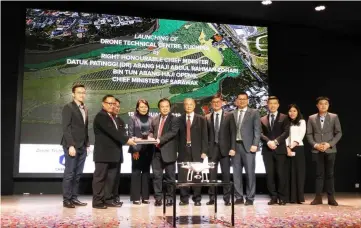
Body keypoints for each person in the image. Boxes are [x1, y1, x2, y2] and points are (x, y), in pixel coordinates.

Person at [92, 95, 136, 209]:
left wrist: (131, 139)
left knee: (111, 179)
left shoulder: (112, 117)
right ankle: (97, 201)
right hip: (103, 154)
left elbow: (119, 133)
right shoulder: (101, 116)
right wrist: (127, 140)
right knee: (100, 178)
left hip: (114, 154)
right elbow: (112, 132)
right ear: (103, 104)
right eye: (109, 103)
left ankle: (108, 199)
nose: (112, 106)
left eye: (113, 104)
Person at [306, 96, 342, 206]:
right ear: (317, 105)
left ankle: (331, 198)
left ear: (328, 105)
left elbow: (339, 133)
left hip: (330, 150)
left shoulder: (334, 117)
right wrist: (316, 145)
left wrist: (329, 144)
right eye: (321, 104)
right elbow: (309, 134)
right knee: (318, 174)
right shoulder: (311, 118)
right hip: (317, 150)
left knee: (330, 174)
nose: (323, 105)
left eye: (325, 103)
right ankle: (318, 198)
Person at [61, 84, 90, 208]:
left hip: (82, 145)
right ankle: (66, 199)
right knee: (70, 173)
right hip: (72, 145)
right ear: (73, 94)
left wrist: (87, 144)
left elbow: (84, 129)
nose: (82, 95)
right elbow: (66, 128)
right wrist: (70, 145)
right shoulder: (68, 107)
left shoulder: (85, 108)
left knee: (78, 174)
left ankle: (74, 197)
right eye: (79, 92)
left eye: (83, 92)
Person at [205, 93, 236, 206]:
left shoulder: (229, 115)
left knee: (226, 175)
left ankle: (227, 199)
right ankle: (212, 198)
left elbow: (233, 133)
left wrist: (233, 147)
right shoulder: (207, 117)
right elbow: (205, 136)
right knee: (211, 175)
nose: (216, 104)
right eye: (214, 103)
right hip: (212, 150)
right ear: (211, 104)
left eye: (218, 102)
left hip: (225, 150)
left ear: (222, 103)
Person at [232, 92, 261, 206]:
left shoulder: (254, 112)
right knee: (236, 174)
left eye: (244, 99)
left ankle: (250, 197)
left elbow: (257, 130)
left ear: (247, 100)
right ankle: (238, 197)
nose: (242, 101)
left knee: (250, 173)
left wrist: (255, 144)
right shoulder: (232, 113)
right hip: (235, 147)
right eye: (240, 99)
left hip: (249, 147)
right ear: (236, 101)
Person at [149, 98, 180, 207]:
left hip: (169, 152)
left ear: (169, 107)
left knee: (170, 177)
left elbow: (172, 132)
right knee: (157, 176)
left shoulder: (175, 119)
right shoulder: (155, 119)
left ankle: (170, 198)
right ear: (159, 108)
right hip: (156, 152)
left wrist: (159, 140)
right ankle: (158, 198)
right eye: (162, 106)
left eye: (167, 106)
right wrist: (150, 137)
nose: (165, 108)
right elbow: (151, 131)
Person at [178, 98, 208, 206]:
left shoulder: (201, 119)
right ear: (184, 106)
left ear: (194, 105)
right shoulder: (179, 119)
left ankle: (197, 199)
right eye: (186, 104)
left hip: (197, 151)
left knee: (197, 176)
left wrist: (204, 151)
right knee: (183, 176)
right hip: (183, 151)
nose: (188, 106)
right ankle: (184, 199)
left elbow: (205, 136)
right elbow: (177, 137)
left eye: (190, 104)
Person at [260, 96, 290, 205]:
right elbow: (260, 133)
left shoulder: (284, 117)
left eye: (274, 103)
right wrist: (268, 141)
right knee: (270, 174)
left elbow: (286, 132)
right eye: (270, 103)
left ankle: (282, 197)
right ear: (267, 105)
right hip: (267, 150)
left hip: (280, 149)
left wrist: (276, 142)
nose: (272, 105)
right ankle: (273, 196)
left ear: (278, 105)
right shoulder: (262, 119)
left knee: (280, 173)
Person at [128, 99, 154, 205]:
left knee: (146, 172)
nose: (144, 108)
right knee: (136, 172)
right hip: (136, 149)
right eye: (141, 107)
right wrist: (135, 149)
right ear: (137, 108)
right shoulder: (133, 118)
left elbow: (152, 132)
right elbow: (130, 134)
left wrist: (150, 137)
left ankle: (145, 197)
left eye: (145, 107)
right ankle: (135, 197)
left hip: (148, 148)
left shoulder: (151, 119)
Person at [104, 98, 126, 205]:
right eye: (114, 105)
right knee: (109, 177)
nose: (116, 108)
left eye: (118, 106)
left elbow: (123, 136)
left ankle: (115, 197)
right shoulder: (106, 119)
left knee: (116, 177)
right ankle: (108, 198)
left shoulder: (120, 121)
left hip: (118, 152)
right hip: (108, 153)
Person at [285, 104, 306, 204]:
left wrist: (291, 146)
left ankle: (298, 197)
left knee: (298, 173)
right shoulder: (285, 122)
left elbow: (301, 135)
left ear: (298, 112)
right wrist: (287, 148)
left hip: (298, 148)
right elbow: (284, 136)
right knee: (288, 173)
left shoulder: (302, 122)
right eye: (290, 111)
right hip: (286, 149)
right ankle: (288, 197)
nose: (292, 113)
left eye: (294, 111)